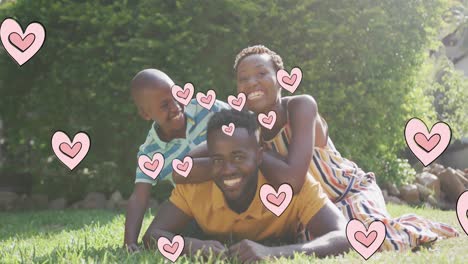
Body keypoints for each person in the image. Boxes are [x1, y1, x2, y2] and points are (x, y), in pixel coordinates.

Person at [230, 45, 459, 251]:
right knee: (318, 244)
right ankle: (399, 224)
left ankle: (416, 228)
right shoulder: (246, 128)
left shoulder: (300, 107)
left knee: (370, 238)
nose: (251, 82)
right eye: (243, 78)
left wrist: (253, 148)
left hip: (350, 190)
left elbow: (294, 179)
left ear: (280, 78)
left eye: (261, 73)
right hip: (315, 209)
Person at [143, 109, 350, 262]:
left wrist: (273, 253)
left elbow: (343, 235)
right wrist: (192, 246)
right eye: (217, 159)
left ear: (260, 156)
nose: (228, 169)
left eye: (238, 157)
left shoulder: (290, 187)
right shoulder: (195, 186)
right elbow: (153, 235)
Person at [124, 69, 229, 252]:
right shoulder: (150, 152)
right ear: (146, 114)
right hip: (201, 212)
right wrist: (129, 242)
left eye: (176, 96)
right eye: (164, 105)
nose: (175, 107)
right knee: (154, 238)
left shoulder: (207, 109)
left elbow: (247, 125)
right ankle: (199, 246)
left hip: (236, 193)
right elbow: (139, 197)